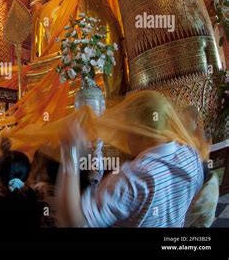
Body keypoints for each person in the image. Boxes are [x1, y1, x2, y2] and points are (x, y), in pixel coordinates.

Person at [57, 91, 204, 227]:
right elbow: (192, 199)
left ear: (138, 132)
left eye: (127, 130)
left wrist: (70, 152)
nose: (125, 139)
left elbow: (75, 221)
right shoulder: (191, 155)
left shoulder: (133, 178)